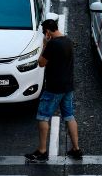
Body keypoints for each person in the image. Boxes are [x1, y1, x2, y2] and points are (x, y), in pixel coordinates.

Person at [24, 19, 83, 163]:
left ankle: (42, 151)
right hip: (68, 86)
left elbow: (41, 63)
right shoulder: (68, 41)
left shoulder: (52, 44)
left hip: (54, 87)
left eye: (45, 32)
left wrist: (45, 45)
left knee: (43, 117)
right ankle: (76, 149)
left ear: (48, 32)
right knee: (69, 116)